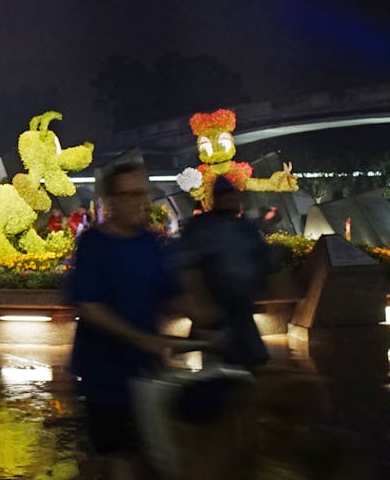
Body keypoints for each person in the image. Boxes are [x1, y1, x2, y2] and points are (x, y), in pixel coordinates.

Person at [66, 162, 188, 479]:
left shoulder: (150, 243)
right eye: (129, 194)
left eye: (142, 193)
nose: (139, 201)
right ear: (111, 201)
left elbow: (170, 294)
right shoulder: (93, 244)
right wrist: (142, 339)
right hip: (104, 375)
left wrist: (206, 309)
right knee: (120, 457)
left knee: (153, 455)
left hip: (147, 372)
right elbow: (89, 306)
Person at [178, 178, 272, 367]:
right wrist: (198, 302)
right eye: (225, 196)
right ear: (217, 199)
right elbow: (186, 264)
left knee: (244, 366)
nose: (230, 200)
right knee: (222, 372)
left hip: (240, 313)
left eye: (232, 196)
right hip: (217, 314)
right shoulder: (202, 227)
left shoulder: (243, 227)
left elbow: (262, 257)